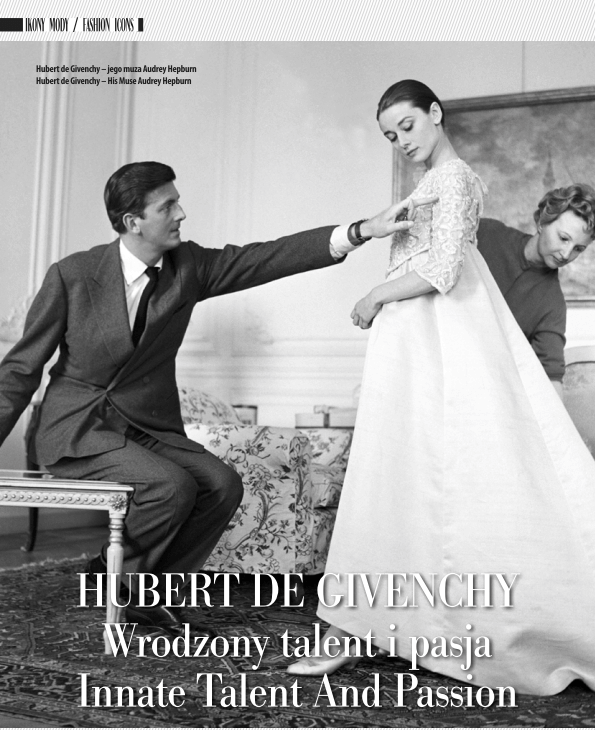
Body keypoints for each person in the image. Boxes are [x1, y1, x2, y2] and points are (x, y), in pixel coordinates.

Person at [0, 161, 432, 639]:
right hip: (78, 427)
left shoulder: (189, 267)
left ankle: (140, 585)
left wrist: (359, 231)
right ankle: (125, 586)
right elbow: (21, 368)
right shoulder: (73, 275)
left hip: (145, 425)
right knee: (170, 486)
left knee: (222, 484)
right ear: (133, 221)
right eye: (168, 206)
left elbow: (266, 258)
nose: (181, 213)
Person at [287, 80, 595, 696]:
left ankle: (376, 626)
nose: (402, 141)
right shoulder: (439, 184)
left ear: (435, 113)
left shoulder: (454, 179)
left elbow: (442, 269)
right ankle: (363, 624)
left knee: (406, 478)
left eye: (408, 125)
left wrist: (375, 296)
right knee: (396, 479)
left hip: (435, 344)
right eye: (390, 134)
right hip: (418, 343)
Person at [477, 184, 595, 396]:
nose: (566, 254)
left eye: (578, 248)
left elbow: (551, 376)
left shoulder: (552, 305)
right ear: (542, 221)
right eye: (564, 238)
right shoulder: (486, 233)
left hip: (484, 390)